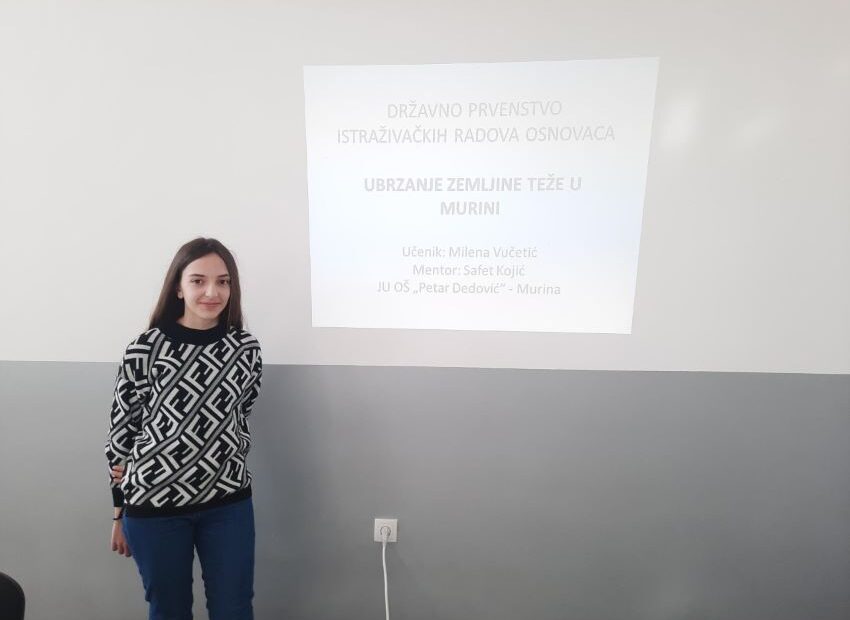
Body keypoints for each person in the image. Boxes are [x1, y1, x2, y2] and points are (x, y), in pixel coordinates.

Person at [105, 237, 263, 620]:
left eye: (223, 282)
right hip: (154, 507)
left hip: (228, 503)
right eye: (198, 281)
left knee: (235, 610)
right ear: (178, 287)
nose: (212, 292)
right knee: (169, 611)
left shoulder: (245, 349)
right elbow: (121, 437)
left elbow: (240, 414)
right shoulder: (144, 349)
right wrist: (118, 514)